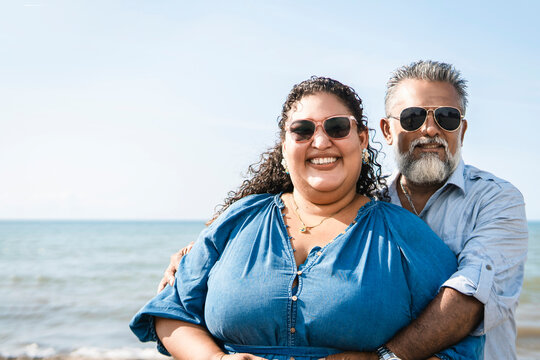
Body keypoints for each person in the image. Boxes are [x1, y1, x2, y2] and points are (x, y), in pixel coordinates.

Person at [159, 61, 529, 360]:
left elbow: (464, 305)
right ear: (386, 130)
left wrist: (381, 359)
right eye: (414, 118)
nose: (430, 129)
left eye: (446, 117)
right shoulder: (370, 200)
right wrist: (200, 252)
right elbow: (172, 310)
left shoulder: (496, 201)